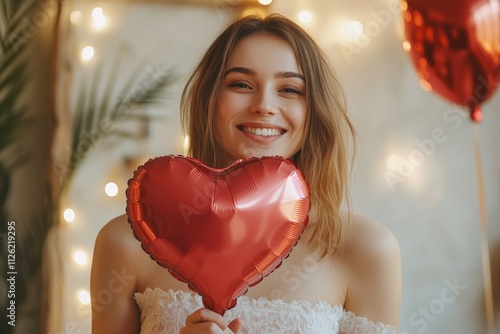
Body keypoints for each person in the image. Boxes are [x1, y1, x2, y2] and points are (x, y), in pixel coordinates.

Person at [90, 13, 403, 334]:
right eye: (241, 84)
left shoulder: (365, 248)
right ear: (210, 101)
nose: (264, 105)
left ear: (314, 110)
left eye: (290, 89)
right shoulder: (126, 243)